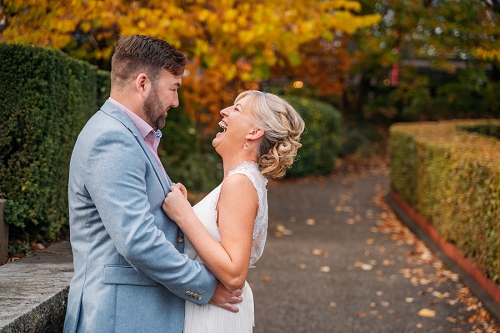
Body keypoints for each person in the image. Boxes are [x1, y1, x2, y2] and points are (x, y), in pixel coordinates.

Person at [63, 35, 242, 333]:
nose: (176, 102)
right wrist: (205, 286)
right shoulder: (112, 139)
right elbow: (138, 240)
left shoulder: (134, 136)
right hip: (117, 318)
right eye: (173, 89)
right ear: (143, 83)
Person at [162, 90, 305, 332]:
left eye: (237, 109)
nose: (224, 111)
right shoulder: (243, 180)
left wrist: (184, 215)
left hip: (214, 316)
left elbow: (234, 273)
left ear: (253, 132)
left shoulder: (240, 183)